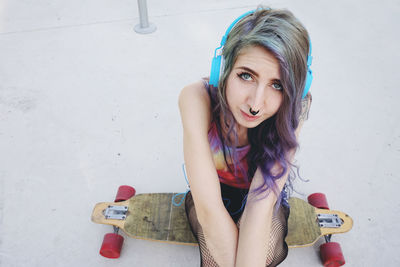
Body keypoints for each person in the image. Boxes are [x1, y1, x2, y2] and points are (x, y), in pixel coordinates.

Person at [178, 6, 313, 267]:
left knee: (263, 254)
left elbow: (259, 204)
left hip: (261, 199)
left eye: (277, 84)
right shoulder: (196, 99)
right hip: (210, 196)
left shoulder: (295, 109)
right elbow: (209, 208)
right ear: (223, 70)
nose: (256, 104)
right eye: (246, 76)